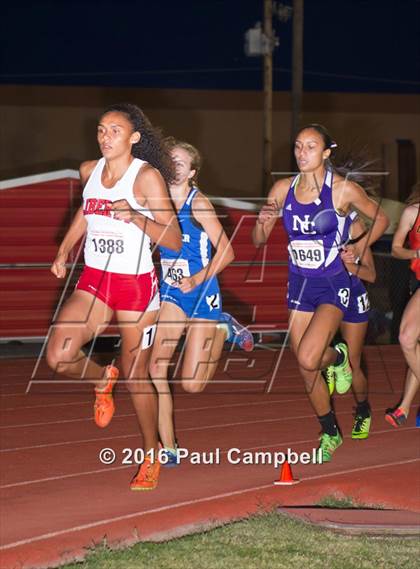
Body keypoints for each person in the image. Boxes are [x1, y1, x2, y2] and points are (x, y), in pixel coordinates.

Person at [47, 103, 182, 490]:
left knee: (137, 375)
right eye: (102, 130)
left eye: (115, 131)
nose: (106, 137)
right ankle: (101, 378)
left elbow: (173, 239)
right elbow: (85, 213)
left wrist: (137, 217)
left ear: (134, 138)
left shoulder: (146, 179)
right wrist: (63, 249)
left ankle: (150, 454)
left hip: (135, 286)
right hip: (95, 280)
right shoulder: (89, 171)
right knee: (58, 355)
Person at [253, 124, 389, 462]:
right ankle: (329, 430)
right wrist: (263, 222)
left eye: (310, 146)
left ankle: (344, 365)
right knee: (306, 367)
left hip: (332, 284)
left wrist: (357, 247)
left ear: (326, 152)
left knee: (308, 357)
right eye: (298, 146)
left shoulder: (342, 190)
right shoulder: (282, 189)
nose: (301, 153)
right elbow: (257, 240)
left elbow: (382, 219)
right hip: (299, 284)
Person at [149, 138, 254, 464]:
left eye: (180, 162)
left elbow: (228, 252)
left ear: (192, 172)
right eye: (170, 161)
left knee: (192, 385)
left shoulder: (199, 204)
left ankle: (223, 325)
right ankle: (169, 447)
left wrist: (196, 278)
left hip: (201, 291)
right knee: (155, 368)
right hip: (171, 291)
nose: (174, 166)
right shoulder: (156, 200)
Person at [324, 213, 376, 440]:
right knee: (314, 353)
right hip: (325, 296)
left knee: (353, 362)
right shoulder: (313, 222)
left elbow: (371, 275)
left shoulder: (356, 227)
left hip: (353, 298)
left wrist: (350, 266)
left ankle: (363, 410)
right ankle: (335, 360)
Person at [385, 183, 420, 427]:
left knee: (409, 339)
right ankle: (405, 407)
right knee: (410, 340)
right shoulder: (413, 213)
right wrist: (416, 255)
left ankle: (404, 407)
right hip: (418, 282)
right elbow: (396, 249)